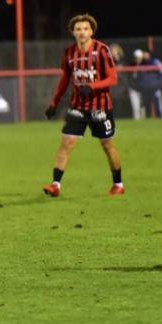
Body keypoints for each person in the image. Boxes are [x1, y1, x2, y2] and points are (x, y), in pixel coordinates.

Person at [43, 13, 124, 197]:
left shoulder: (102, 51)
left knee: (107, 146)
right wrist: (54, 103)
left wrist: (92, 86)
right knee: (66, 143)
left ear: (91, 31)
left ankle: (118, 184)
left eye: (85, 29)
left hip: (100, 108)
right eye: (78, 29)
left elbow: (113, 78)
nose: (82, 32)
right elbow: (64, 80)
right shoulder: (69, 53)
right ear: (73, 32)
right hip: (77, 107)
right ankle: (55, 185)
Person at [133, 49, 162, 118]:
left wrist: (158, 85)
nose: (145, 55)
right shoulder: (140, 64)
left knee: (158, 107)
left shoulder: (155, 62)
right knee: (146, 108)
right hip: (145, 90)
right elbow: (135, 77)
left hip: (155, 89)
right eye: (144, 54)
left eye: (146, 54)